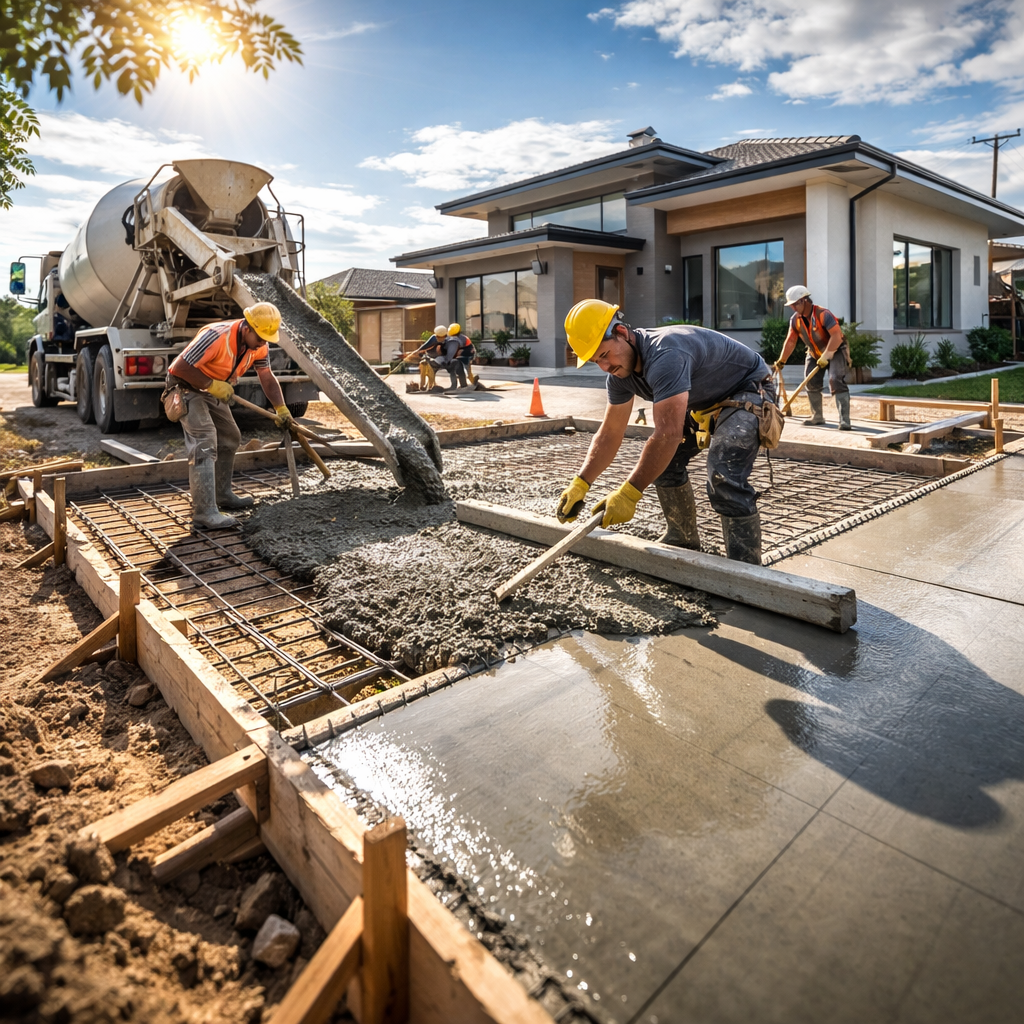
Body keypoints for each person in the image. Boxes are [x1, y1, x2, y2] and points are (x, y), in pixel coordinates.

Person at [556, 299, 775, 564]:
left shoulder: (665, 355)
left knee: (723, 473)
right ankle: (682, 539)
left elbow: (667, 434)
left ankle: (745, 568)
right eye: (595, 361)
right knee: (665, 462)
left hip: (748, 390)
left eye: (604, 355)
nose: (605, 366)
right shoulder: (619, 376)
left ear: (621, 333)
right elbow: (610, 432)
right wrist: (581, 483)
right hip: (704, 401)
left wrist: (629, 494)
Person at [165, 302, 293, 529]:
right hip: (185, 387)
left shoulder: (259, 346)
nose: (263, 343)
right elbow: (178, 367)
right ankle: (204, 512)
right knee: (205, 439)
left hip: (211, 389)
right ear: (247, 328)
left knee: (230, 436)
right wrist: (211, 384)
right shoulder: (216, 336)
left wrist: (280, 408)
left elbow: (266, 375)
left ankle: (221, 495)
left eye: (267, 339)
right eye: (260, 337)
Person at [774, 285, 851, 430]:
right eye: (791, 305)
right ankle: (817, 417)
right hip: (814, 353)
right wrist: (782, 360)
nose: (793, 308)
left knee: (835, 379)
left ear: (804, 300)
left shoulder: (823, 314)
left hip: (835, 350)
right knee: (810, 382)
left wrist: (827, 355)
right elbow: (791, 341)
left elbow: (837, 336)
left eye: (795, 304)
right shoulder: (795, 320)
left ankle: (845, 420)